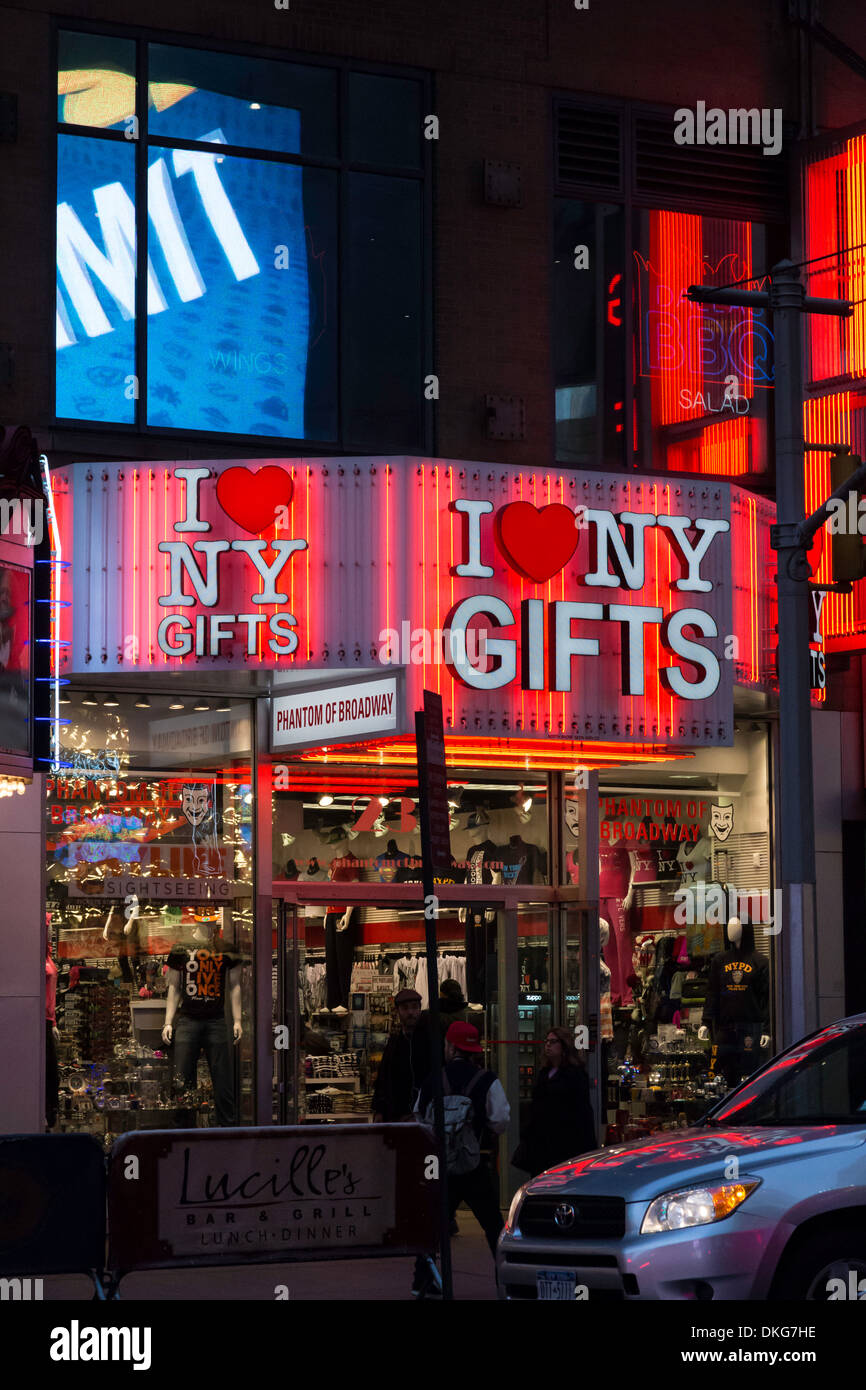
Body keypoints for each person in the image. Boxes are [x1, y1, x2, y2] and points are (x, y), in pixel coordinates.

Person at [415, 1021, 510, 1277]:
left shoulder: (433, 1079)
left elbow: (420, 1120)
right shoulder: (487, 1080)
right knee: (493, 1225)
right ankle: (506, 1274)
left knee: (433, 1226)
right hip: (474, 1163)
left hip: (441, 1166)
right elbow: (500, 1120)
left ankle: (423, 1279)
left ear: (449, 1047)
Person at [521, 1026, 596, 1177]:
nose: (548, 1045)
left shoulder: (574, 1074)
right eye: (547, 1041)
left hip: (565, 1142)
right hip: (542, 1142)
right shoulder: (544, 1073)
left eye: (553, 1041)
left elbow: (582, 1112)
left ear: (564, 1046)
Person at [371, 988, 433, 1122]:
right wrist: (380, 1110)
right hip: (397, 1116)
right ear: (398, 1011)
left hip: (425, 1117)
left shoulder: (430, 1042)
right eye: (405, 1008)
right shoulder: (394, 1043)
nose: (411, 1012)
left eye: (414, 1007)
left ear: (420, 1009)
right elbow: (384, 1078)